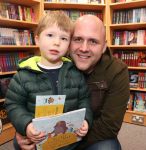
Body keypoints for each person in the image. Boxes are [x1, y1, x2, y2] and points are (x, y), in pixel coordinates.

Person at [15, 14, 130, 150]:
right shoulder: (57, 59)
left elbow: (109, 126)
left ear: (104, 47)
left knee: (108, 147)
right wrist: (23, 127)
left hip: (89, 133)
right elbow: (21, 102)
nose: (84, 48)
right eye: (78, 39)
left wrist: (67, 141)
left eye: (93, 41)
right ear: (69, 42)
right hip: (54, 131)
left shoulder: (117, 70)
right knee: (21, 142)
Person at [5, 11, 93, 150]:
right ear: (38, 39)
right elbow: (13, 105)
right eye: (50, 35)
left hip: (69, 142)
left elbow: (84, 100)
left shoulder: (75, 73)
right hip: (38, 141)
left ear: (69, 44)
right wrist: (27, 125)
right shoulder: (23, 76)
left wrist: (86, 120)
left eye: (64, 38)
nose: (56, 42)